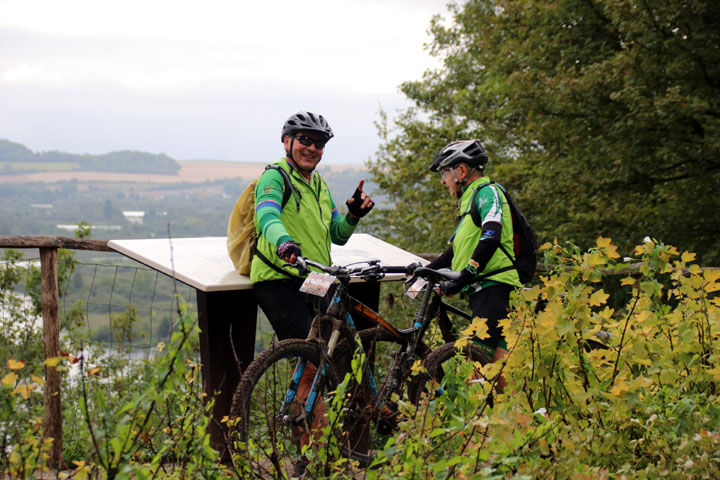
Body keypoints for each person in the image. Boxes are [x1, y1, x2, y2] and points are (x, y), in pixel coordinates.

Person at [251, 111, 374, 340]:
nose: (312, 148)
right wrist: (284, 243)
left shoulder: (320, 184)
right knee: (310, 359)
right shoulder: (274, 176)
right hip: (281, 278)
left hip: (317, 278)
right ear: (287, 141)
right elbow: (267, 215)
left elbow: (337, 234)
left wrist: (353, 216)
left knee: (331, 353)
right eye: (305, 140)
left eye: (319, 143)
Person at [426, 140, 522, 391]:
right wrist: (426, 269)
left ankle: (472, 427)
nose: (442, 180)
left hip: (494, 288)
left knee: (475, 372)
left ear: (460, 171)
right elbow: (456, 250)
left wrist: (465, 275)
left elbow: (492, 235)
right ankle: (514, 425)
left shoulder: (487, 192)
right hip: (489, 290)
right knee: (502, 377)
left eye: (444, 173)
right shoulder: (471, 201)